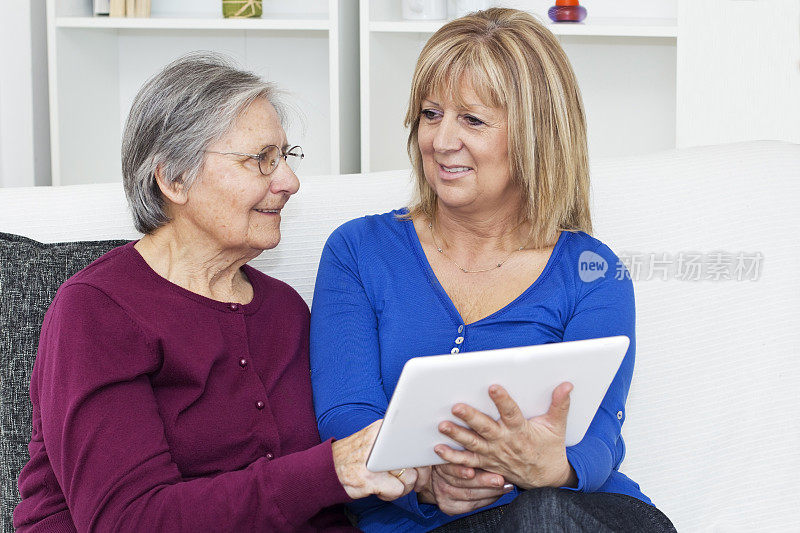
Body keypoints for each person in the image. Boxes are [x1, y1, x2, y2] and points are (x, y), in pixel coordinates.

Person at [13, 53, 427, 532]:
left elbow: (321, 510)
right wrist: (333, 469)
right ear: (173, 178)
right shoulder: (98, 310)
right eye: (260, 160)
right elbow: (128, 522)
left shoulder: (284, 311)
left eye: (286, 158)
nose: (289, 182)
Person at [310, 8, 676, 532]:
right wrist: (426, 482)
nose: (440, 140)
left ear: (535, 135)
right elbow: (346, 416)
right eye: (431, 114)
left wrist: (555, 466)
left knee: (543, 514)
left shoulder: (593, 271)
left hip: (584, 514)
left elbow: (600, 431)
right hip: (424, 521)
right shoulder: (358, 251)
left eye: (473, 120)